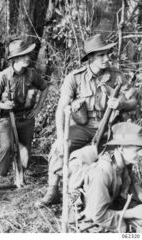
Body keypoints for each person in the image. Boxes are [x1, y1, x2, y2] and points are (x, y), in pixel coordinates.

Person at [37, 34, 138, 206]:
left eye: (108, 54)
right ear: (90, 57)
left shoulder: (117, 76)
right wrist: (61, 137)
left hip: (111, 129)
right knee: (58, 148)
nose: (107, 58)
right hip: (85, 128)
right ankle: (53, 190)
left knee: (128, 152)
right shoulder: (75, 78)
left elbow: (134, 102)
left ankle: (124, 191)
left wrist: (122, 104)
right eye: (101, 55)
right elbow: (61, 108)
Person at [0, 39, 48, 183]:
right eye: (23, 55)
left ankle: (20, 175)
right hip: (6, 117)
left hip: (26, 117)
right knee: (7, 146)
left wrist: (38, 108)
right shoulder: (3, 76)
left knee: (25, 149)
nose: (27, 58)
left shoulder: (32, 74)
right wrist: (4, 106)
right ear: (14, 58)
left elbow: (45, 87)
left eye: (28, 54)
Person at [80, 122, 142, 232]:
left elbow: (132, 183)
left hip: (115, 205)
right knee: (126, 230)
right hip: (99, 216)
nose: (141, 153)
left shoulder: (125, 162)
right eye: (137, 149)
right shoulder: (102, 173)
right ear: (121, 147)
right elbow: (99, 215)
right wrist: (132, 213)